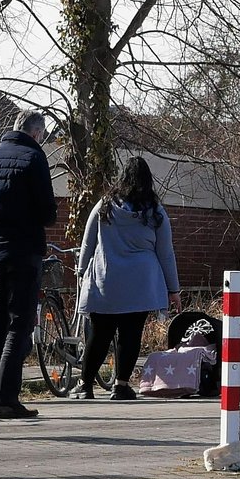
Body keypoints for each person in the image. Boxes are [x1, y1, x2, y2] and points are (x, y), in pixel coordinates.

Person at [72, 156, 181, 401]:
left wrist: (81, 272)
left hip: (106, 278)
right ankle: (120, 385)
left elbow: (88, 242)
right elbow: (166, 252)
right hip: (141, 282)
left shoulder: (104, 206)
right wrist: (173, 289)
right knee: (131, 335)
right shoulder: (155, 212)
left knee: (99, 334)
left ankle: (85, 384)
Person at [0, 111, 57, 419]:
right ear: (36, 134)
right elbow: (48, 212)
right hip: (24, 251)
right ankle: (8, 397)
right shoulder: (34, 159)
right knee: (19, 322)